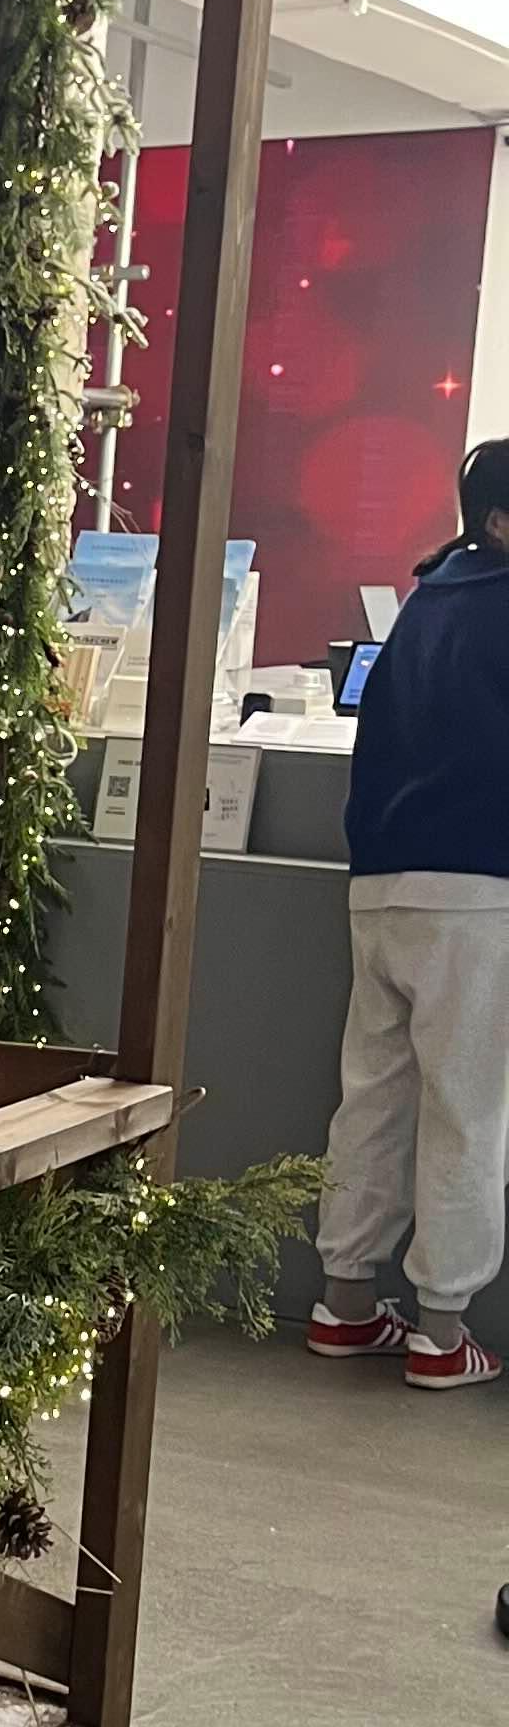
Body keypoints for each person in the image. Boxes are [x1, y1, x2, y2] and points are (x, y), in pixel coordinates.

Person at [307, 434, 509, 1394]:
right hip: (479, 886)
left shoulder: (428, 597)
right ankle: (443, 1329)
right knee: (468, 1110)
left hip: (380, 879)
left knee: (374, 1100)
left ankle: (345, 1303)